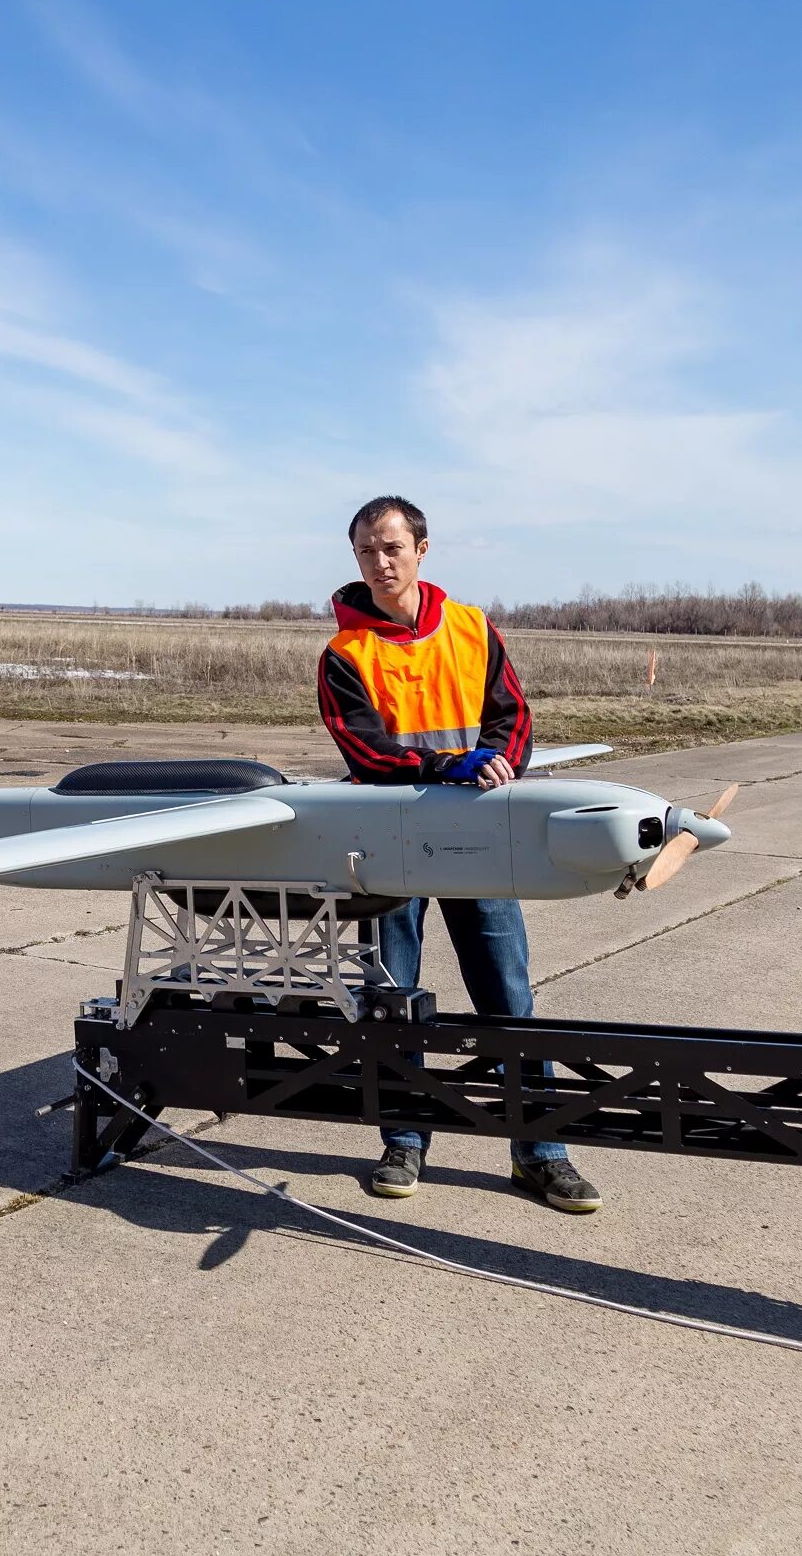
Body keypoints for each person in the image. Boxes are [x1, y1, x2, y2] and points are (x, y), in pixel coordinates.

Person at [317, 493, 601, 1215]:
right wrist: (445, 764)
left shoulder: (473, 630)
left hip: (478, 839)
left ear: (420, 548)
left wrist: (493, 762)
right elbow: (364, 750)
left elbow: (514, 720)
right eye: (364, 551)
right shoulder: (343, 654)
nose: (378, 563)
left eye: (390, 547)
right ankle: (404, 1139)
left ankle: (540, 1152)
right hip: (386, 848)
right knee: (392, 999)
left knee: (507, 994)